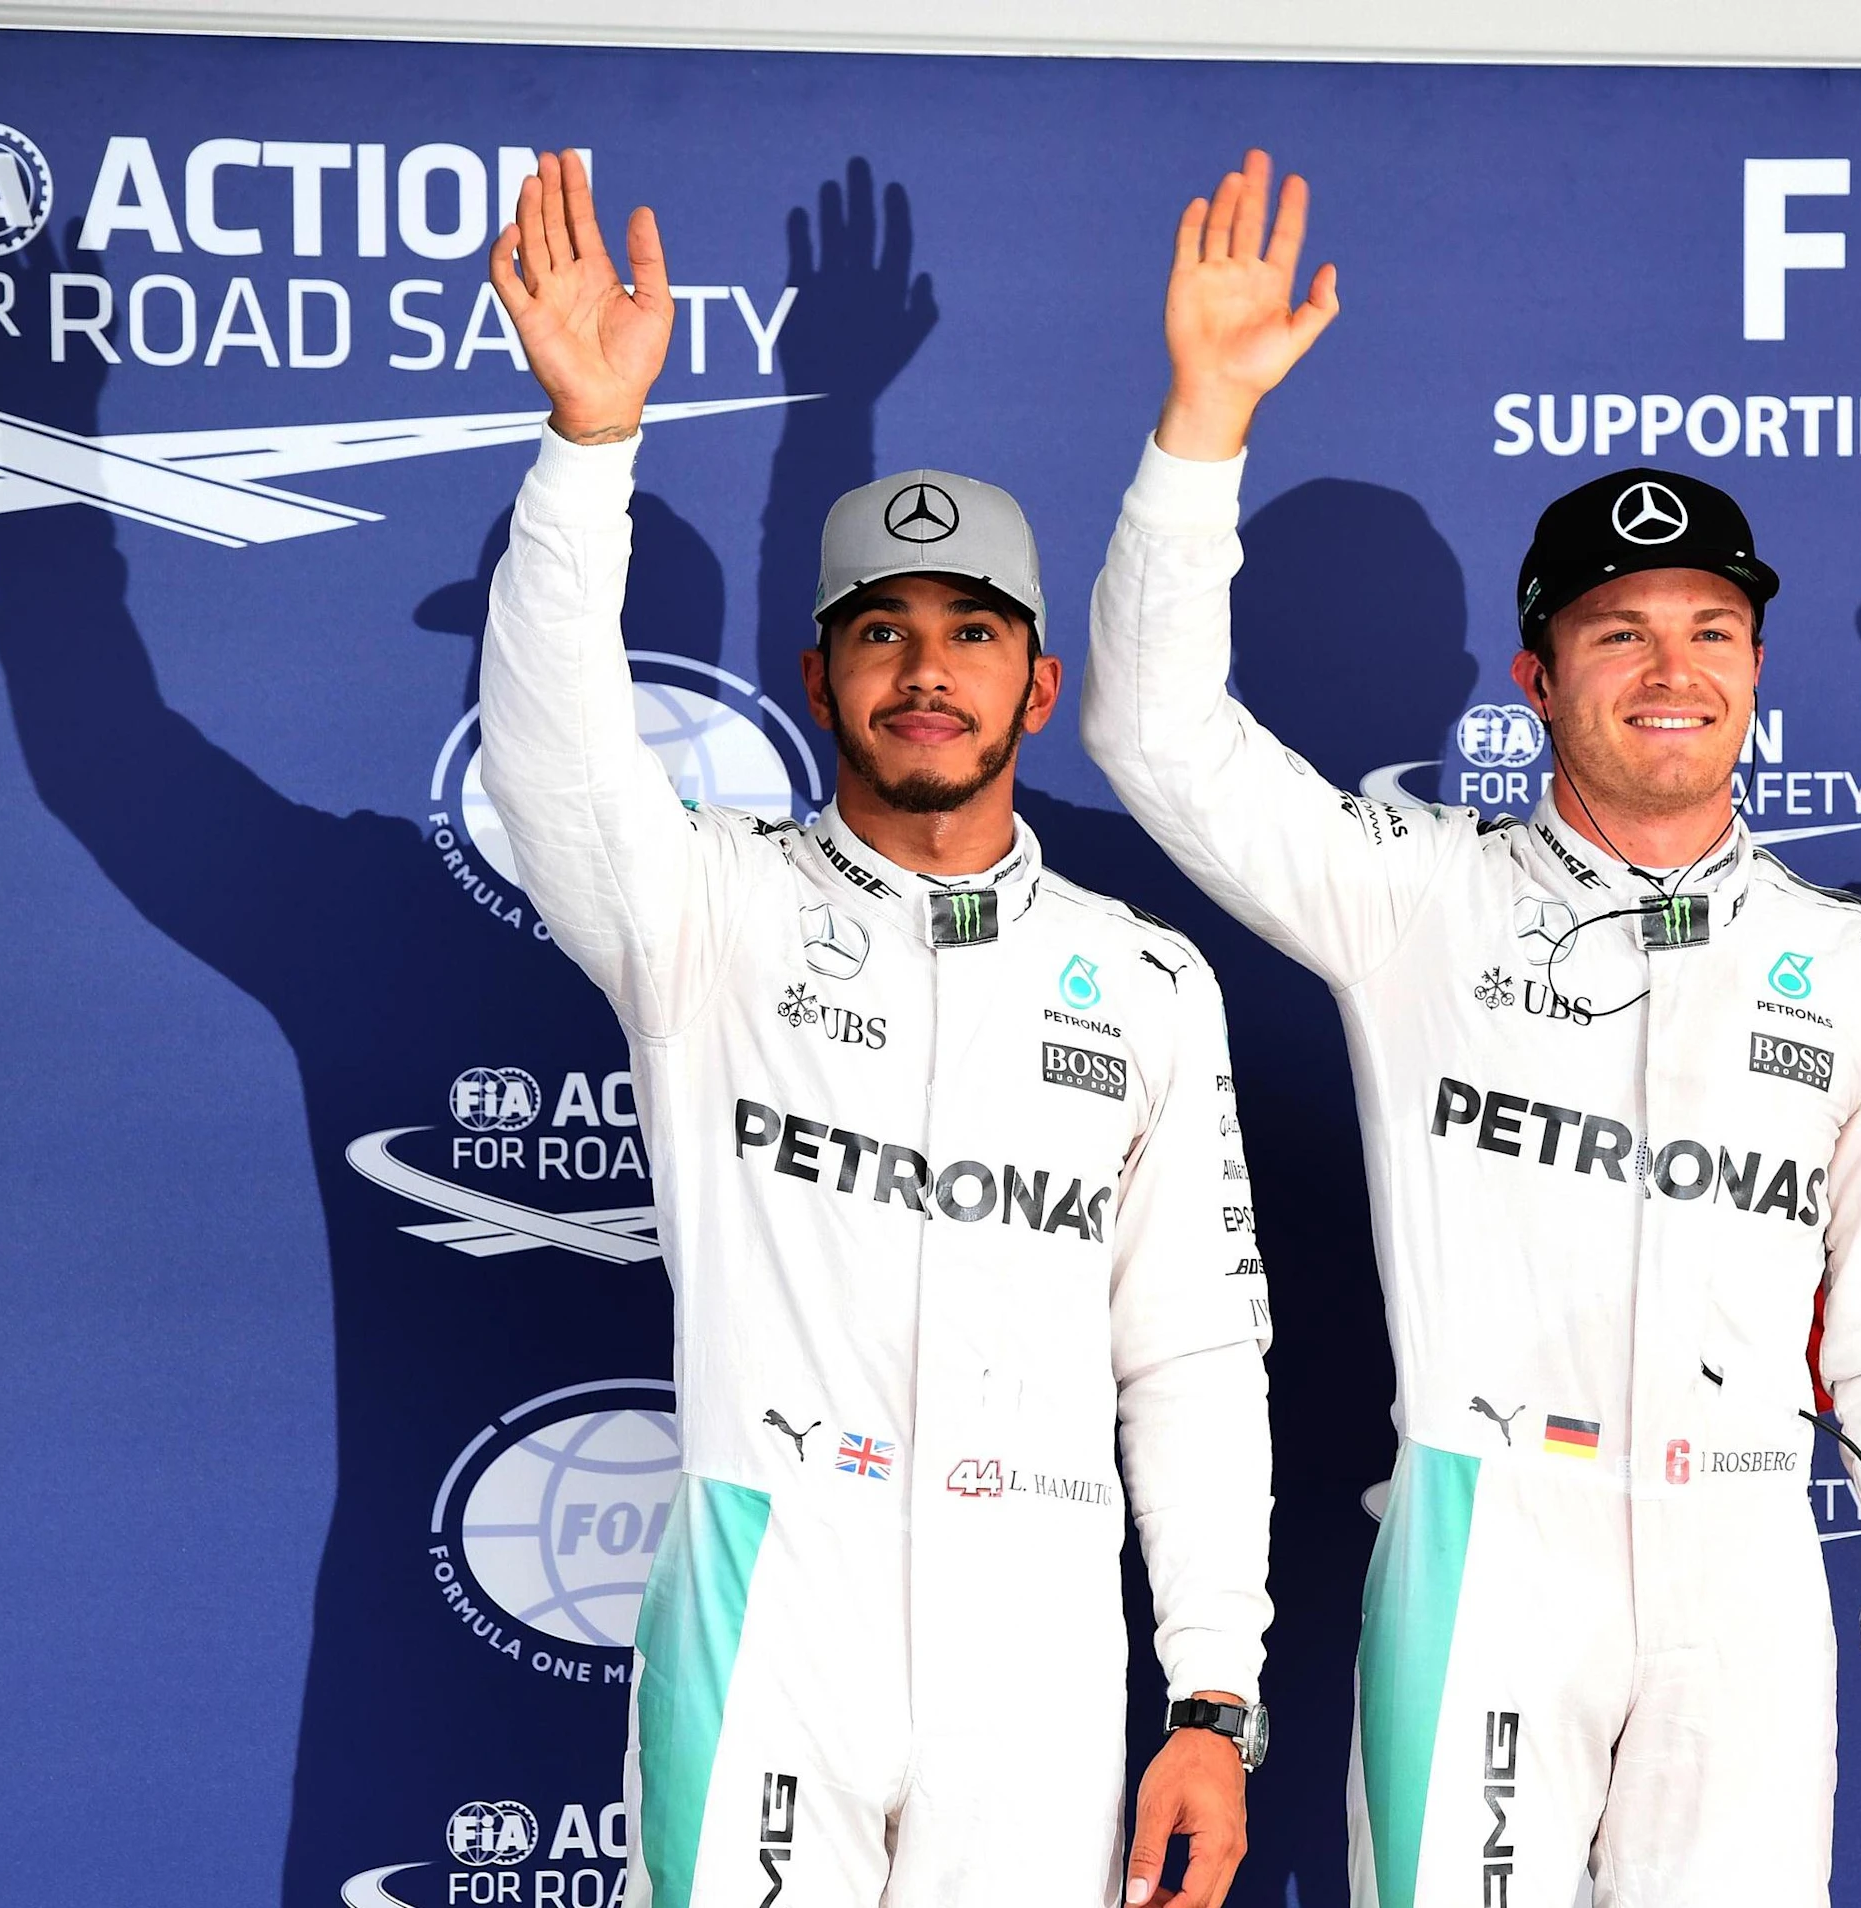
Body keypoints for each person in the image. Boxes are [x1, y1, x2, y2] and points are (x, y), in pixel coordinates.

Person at [1082, 150, 1861, 1908]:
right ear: (1536, 678)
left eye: (1710, 631)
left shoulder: (1858, 971)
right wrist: (1202, 422)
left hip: (1752, 1551)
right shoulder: (1415, 891)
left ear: (1755, 671)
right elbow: (1153, 735)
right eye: (1617, 633)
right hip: (1485, 1539)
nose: (1671, 668)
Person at [478, 150, 1276, 1908]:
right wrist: (588, 445)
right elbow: (547, 760)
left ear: (1038, 683)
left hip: (1040, 1632)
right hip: (773, 1601)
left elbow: (1195, 1359)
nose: (930, 669)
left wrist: (1215, 1690)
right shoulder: (708, 908)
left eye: (974, 633)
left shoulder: (1144, 983)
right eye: (883, 634)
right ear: (822, 674)